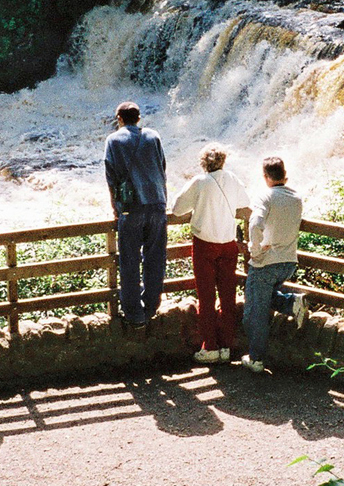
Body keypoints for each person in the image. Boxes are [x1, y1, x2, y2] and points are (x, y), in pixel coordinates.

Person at [171, 143, 252, 364]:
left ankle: (210, 347)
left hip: (205, 244)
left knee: (206, 296)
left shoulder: (199, 182)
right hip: (228, 244)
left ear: (204, 163)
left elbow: (177, 209)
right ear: (223, 161)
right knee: (227, 295)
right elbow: (245, 205)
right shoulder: (233, 179)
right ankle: (227, 345)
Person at [104, 101, 168, 329]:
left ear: (119, 119)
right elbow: (162, 168)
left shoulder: (113, 140)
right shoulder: (154, 136)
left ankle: (134, 314)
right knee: (156, 258)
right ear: (139, 118)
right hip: (157, 204)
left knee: (129, 261)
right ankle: (151, 306)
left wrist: (116, 208)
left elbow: (111, 178)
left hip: (132, 208)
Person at [241, 156, 307, 372]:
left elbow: (255, 224)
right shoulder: (296, 197)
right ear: (284, 174)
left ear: (265, 176)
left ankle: (256, 359)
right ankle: (291, 303)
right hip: (288, 262)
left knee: (254, 311)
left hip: (267, 263)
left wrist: (256, 251)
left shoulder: (265, 196)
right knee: (264, 299)